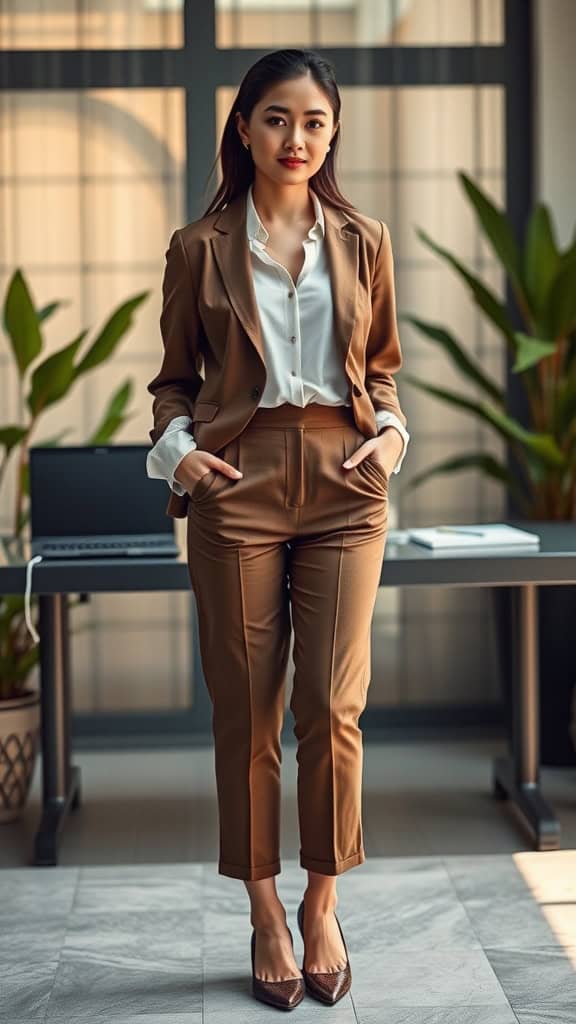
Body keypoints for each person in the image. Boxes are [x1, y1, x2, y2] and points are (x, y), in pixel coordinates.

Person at [146, 48, 410, 1010]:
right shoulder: (198, 245)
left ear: (331, 133)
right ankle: (263, 910)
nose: (294, 139)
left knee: (333, 707)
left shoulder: (364, 240)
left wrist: (390, 434)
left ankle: (323, 904)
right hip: (239, 477)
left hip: (346, 479)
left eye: (312, 122)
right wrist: (176, 451)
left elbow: (379, 370)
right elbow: (174, 380)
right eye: (274, 119)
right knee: (247, 710)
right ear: (244, 129)